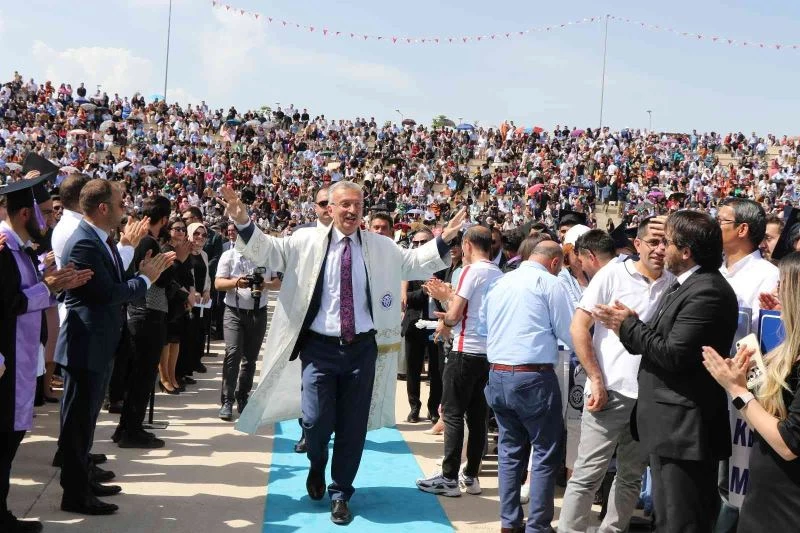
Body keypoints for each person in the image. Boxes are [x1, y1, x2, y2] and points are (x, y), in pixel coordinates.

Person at [219, 181, 463, 525]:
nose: (351, 211)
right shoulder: (304, 241)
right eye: (344, 204)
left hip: (361, 349)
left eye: (357, 205)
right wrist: (243, 220)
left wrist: (444, 238)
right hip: (319, 348)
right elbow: (268, 251)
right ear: (330, 209)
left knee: (352, 426)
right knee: (315, 421)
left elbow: (412, 262)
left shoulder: (380, 246)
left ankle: (340, 493)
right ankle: (317, 462)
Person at [593, 210, 738, 533]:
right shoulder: (686, 286)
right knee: (669, 518)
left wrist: (628, 326)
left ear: (685, 252)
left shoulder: (707, 291)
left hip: (684, 431)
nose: (661, 249)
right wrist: (629, 325)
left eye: (667, 242)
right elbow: (660, 343)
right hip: (670, 429)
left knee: (680, 521)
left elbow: (674, 354)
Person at [56, 179, 174, 516]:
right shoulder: (85, 243)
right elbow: (108, 293)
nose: (126, 209)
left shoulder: (99, 239)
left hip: (97, 344)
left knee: (86, 422)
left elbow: (116, 282)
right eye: (121, 203)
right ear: (103, 208)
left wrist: (136, 272)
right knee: (78, 424)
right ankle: (75, 494)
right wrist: (146, 279)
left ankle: (83, 480)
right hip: (85, 346)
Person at [559, 218, 674, 533]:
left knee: (630, 477)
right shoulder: (612, 275)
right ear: (638, 244)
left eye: (666, 242)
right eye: (653, 242)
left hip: (648, 398)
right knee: (587, 475)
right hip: (609, 393)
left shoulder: (674, 283)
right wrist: (596, 379)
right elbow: (578, 327)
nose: (660, 249)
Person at [0, 174, 92, 533]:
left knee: (10, 437)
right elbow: (8, 304)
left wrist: (52, 284)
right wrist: (46, 288)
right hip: (6, 360)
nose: (49, 221)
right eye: (43, 213)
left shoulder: (20, 249)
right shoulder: (4, 250)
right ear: (25, 214)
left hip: (21, 355)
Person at [702, 252, 800, 533]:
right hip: (764, 501)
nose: (775, 293)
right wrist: (744, 381)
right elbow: (770, 413)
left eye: (782, 286)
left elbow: (789, 443)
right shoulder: (789, 350)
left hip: (787, 510)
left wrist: (737, 389)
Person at [480, 238, 573, 533]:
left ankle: (509, 522)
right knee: (545, 451)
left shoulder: (500, 282)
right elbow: (570, 331)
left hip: (498, 374)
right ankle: (538, 525)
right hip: (533, 376)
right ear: (555, 262)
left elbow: (483, 325)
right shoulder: (550, 283)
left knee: (509, 451)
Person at [417, 226, 502, 498]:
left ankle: (449, 477)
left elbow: (455, 314)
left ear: (467, 244)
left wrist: (445, 303)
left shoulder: (470, 271)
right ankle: (470, 474)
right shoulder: (498, 273)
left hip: (465, 350)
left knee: (453, 414)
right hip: (487, 353)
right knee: (477, 417)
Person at [716, 198, 779, 531]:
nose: (715, 226)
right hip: (709, 389)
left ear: (742, 229)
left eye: (721, 221)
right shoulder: (714, 272)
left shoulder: (768, 276)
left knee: (733, 483)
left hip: (745, 394)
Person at [114, 196, 187, 449]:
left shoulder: (143, 240)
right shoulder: (148, 242)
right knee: (143, 375)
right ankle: (131, 431)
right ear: (164, 219)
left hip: (142, 313)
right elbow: (161, 280)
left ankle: (127, 427)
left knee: (139, 374)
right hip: (147, 313)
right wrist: (177, 259)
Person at [215, 238, 279, 421]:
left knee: (250, 358)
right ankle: (227, 401)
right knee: (233, 352)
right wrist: (236, 282)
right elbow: (218, 284)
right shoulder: (229, 256)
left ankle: (243, 396)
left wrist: (265, 284)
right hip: (234, 311)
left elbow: (278, 282)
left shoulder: (268, 257)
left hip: (258, 312)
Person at [401, 228, 440, 423]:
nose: (418, 246)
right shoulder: (409, 268)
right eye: (415, 242)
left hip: (438, 325)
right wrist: (423, 292)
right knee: (413, 369)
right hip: (415, 324)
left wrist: (439, 291)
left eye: (423, 242)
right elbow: (405, 298)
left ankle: (434, 409)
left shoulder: (443, 265)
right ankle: (414, 408)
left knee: (437, 371)